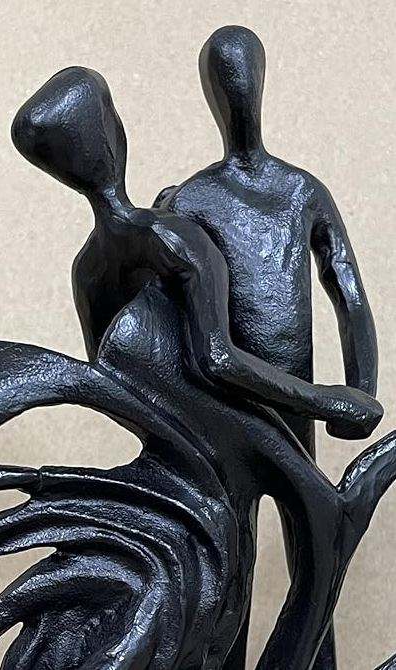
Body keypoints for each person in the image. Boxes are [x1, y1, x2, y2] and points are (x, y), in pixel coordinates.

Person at [153, 26, 378, 668]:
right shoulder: (188, 200)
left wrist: (360, 387)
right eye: (225, 81)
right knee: (235, 559)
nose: (238, 93)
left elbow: (348, 290)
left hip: (298, 400)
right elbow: (177, 322)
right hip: (227, 405)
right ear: (209, 97)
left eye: (245, 76)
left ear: (262, 82)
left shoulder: (301, 191)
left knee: (314, 547)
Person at [11, 66, 381, 439]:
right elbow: (216, 357)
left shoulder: (88, 268)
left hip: (201, 436)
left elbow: (114, 383)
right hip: (245, 419)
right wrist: (333, 401)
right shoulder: (173, 228)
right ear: (114, 134)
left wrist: (180, 436)